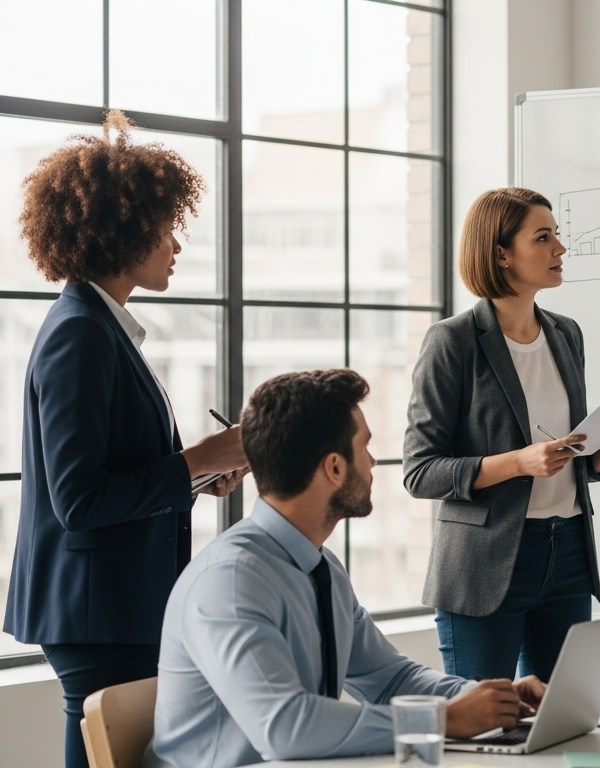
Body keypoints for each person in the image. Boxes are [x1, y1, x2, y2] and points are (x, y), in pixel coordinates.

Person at [2, 110, 248, 768]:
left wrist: (196, 477)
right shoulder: (80, 333)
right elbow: (79, 500)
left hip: (110, 603)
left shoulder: (99, 329)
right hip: (97, 609)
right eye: (167, 228)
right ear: (124, 231)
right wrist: (200, 457)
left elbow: (117, 475)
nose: (176, 245)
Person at [148, 369, 544, 767]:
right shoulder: (231, 582)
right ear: (334, 468)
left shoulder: (321, 567)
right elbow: (286, 729)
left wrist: (491, 700)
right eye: (365, 448)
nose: (372, 463)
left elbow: (390, 679)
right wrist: (443, 719)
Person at [404, 187, 600, 682]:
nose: (560, 248)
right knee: (485, 732)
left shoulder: (567, 334)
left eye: (556, 235)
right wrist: (519, 462)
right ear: (501, 253)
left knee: (567, 724)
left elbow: (569, 459)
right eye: (543, 237)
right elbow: (419, 471)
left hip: (568, 554)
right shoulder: (452, 342)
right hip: (486, 564)